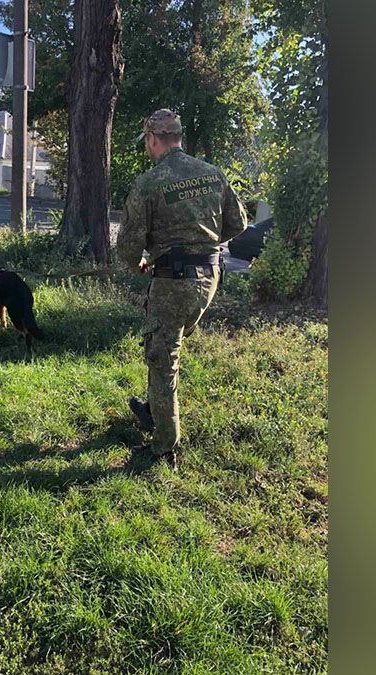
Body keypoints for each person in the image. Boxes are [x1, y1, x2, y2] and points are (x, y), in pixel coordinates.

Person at [115, 109, 247, 470]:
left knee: (162, 358)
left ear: (153, 139)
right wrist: (201, 246)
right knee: (162, 347)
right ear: (179, 137)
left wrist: (138, 264)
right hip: (209, 280)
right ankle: (155, 410)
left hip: (174, 283)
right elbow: (238, 223)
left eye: (147, 142)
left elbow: (127, 246)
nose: (147, 148)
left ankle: (163, 447)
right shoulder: (212, 173)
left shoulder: (150, 182)